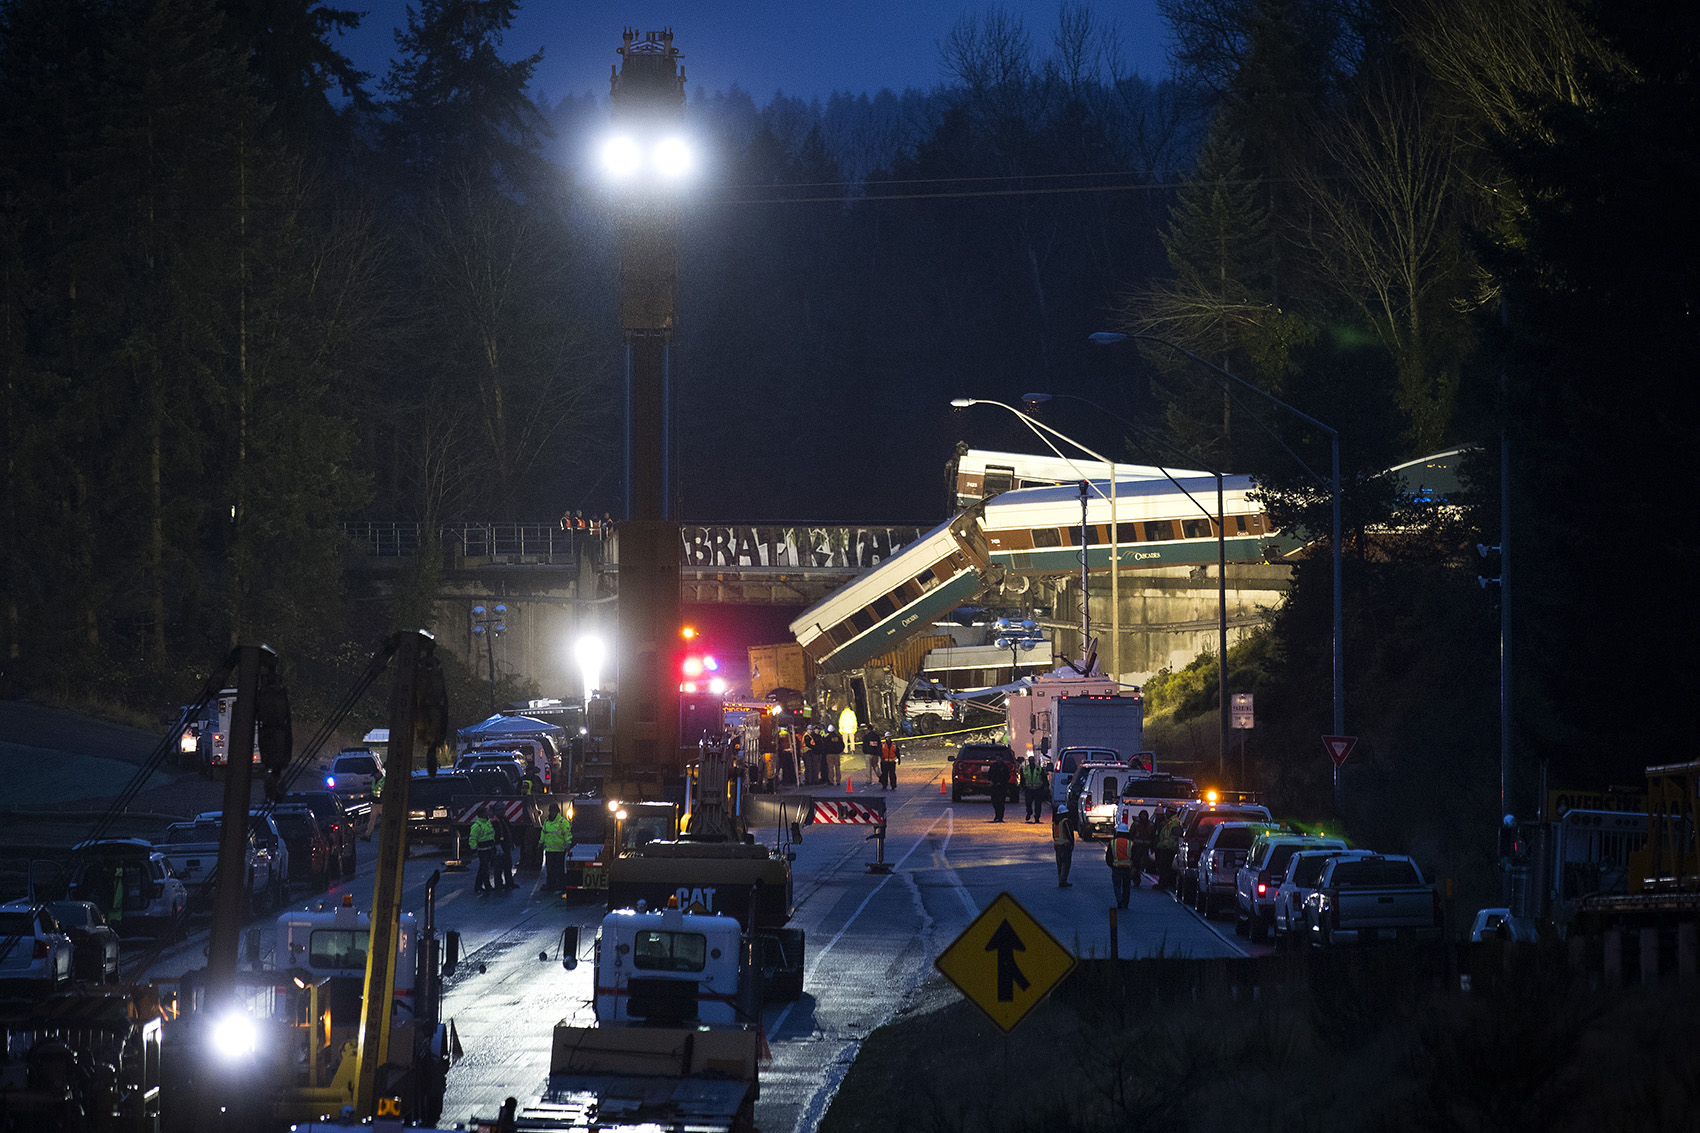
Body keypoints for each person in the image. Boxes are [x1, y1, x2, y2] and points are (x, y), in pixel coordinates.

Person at [539, 803, 571, 893]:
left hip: (559, 850)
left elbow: (567, 835)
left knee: (559, 869)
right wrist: (540, 843)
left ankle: (560, 885)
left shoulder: (563, 822)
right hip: (549, 850)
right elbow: (544, 833)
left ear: (557, 811)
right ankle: (551, 884)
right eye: (551, 811)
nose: (553, 813)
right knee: (550, 869)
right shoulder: (546, 822)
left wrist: (567, 845)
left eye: (554, 811)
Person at [1106, 821, 1136, 908]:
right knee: (1126, 886)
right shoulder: (1131, 843)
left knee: (1117, 885)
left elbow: (1109, 856)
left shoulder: (1113, 843)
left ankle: (1119, 900)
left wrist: (1111, 865)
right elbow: (1134, 856)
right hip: (1127, 868)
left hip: (1116, 867)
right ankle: (1125, 903)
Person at [469, 805, 497, 893]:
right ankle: (486, 886)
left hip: (489, 848)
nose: (487, 813)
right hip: (483, 850)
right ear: (482, 814)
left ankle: (478, 886)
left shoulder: (487, 823)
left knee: (483, 868)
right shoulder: (477, 826)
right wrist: (474, 849)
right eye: (486, 812)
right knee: (484, 869)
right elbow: (473, 838)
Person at [492, 808, 517, 891]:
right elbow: (496, 834)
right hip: (501, 846)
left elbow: (509, 831)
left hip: (506, 846)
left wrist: (511, 842)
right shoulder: (496, 821)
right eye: (501, 810)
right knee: (499, 866)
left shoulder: (503, 820)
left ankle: (509, 882)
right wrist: (498, 845)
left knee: (508, 865)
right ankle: (499, 884)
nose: (503, 811)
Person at [1130, 810, 1154, 887]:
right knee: (1136, 863)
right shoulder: (1135, 824)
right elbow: (1131, 834)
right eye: (1142, 815)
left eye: (1145, 815)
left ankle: (1137, 875)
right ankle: (1135, 877)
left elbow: (1153, 836)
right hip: (1136, 847)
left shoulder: (1150, 825)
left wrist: (1152, 846)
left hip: (1145, 848)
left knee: (1142, 864)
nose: (1143, 817)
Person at [1020, 756, 1046, 822]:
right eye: (1030, 760)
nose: (1031, 762)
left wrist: (1045, 786)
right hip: (1028, 789)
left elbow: (1044, 777)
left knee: (1038, 804)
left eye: (1032, 760)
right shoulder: (1025, 769)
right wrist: (1022, 786)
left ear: (1034, 761)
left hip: (1038, 788)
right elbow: (1022, 778)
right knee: (1028, 803)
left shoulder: (1039, 768)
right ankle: (1029, 812)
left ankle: (1037, 817)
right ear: (1028, 761)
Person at [1052, 811, 1075, 887]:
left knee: (1059, 864)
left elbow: (1053, 834)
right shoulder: (1065, 822)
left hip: (1057, 845)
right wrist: (1072, 843)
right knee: (1066, 864)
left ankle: (1060, 880)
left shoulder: (1055, 822)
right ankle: (1063, 881)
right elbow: (1069, 833)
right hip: (1065, 845)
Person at [988, 756, 1011, 822]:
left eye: (1000, 758)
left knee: (1001, 802)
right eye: (997, 758)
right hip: (994, 786)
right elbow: (989, 774)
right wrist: (990, 781)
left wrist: (1002, 783)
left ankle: (1000, 817)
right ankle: (997, 814)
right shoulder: (993, 766)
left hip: (1002, 787)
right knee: (994, 801)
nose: (998, 759)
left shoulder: (1005, 766)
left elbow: (1007, 776)